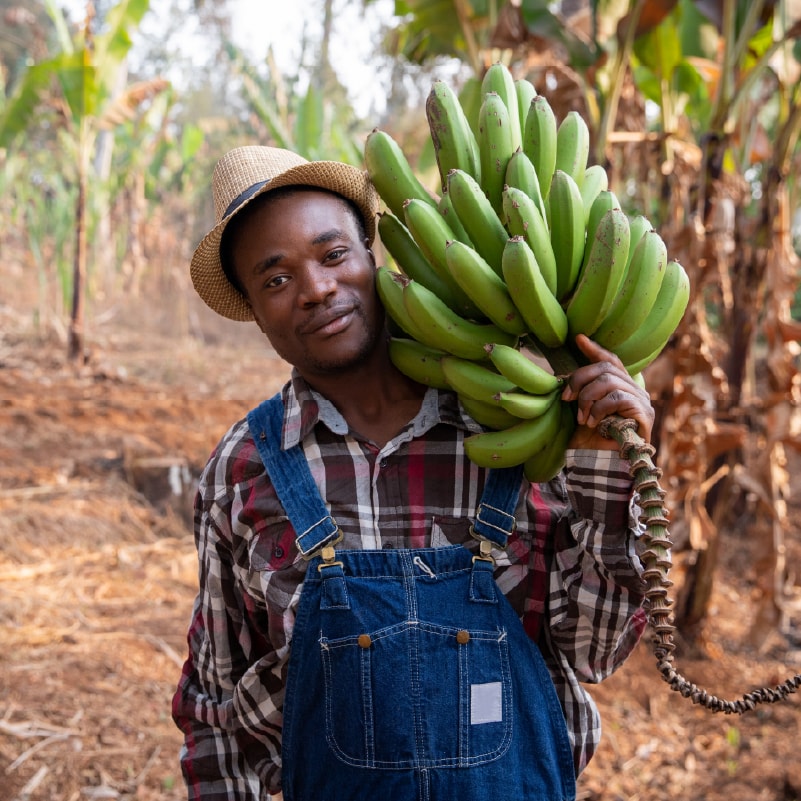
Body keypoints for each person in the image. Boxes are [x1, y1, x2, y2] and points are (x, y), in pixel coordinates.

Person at [172, 145, 655, 801]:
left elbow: (595, 650)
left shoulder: (513, 427)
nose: (315, 288)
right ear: (254, 311)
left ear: (373, 255)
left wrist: (605, 457)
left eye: (332, 254)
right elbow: (216, 705)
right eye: (276, 279)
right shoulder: (244, 468)